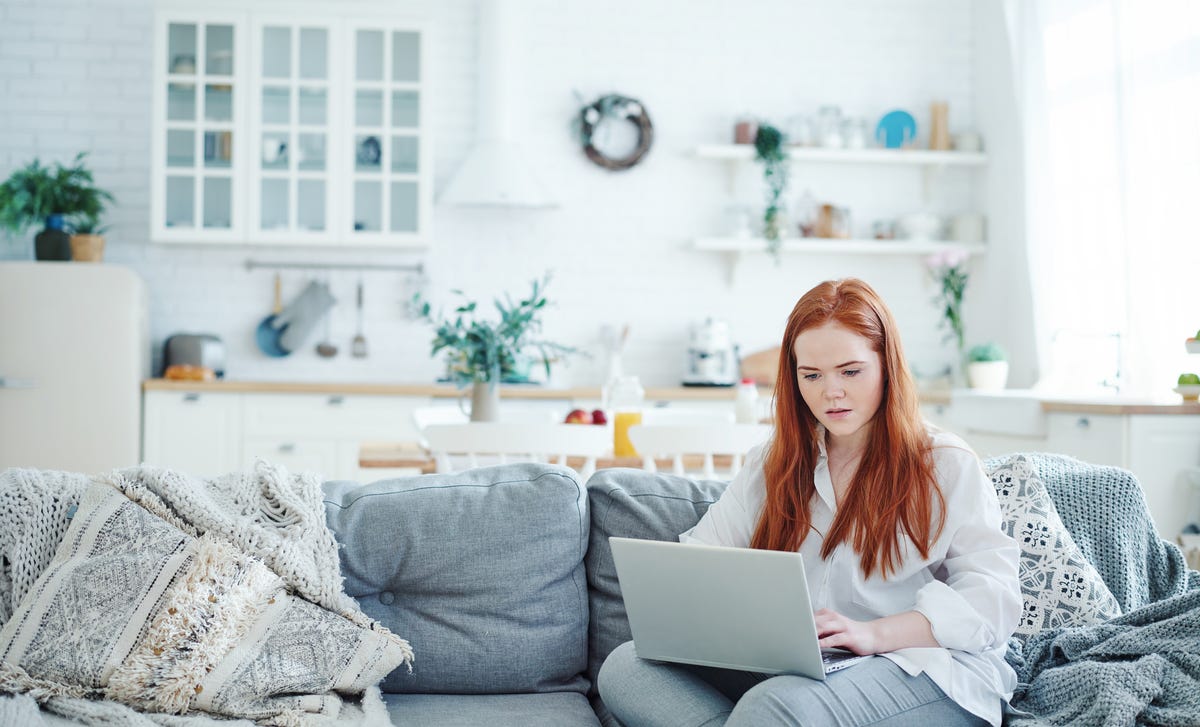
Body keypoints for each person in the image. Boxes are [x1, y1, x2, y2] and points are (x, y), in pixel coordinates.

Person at [598, 278, 1021, 727]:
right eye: (811, 375)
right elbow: (700, 557)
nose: (830, 392)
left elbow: (992, 600)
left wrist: (873, 634)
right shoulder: (774, 462)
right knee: (628, 666)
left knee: (776, 707)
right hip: (807, 667)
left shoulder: (944, 463)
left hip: (921, 665)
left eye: (850, 371)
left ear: (887, 366)